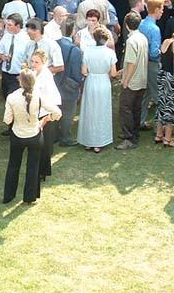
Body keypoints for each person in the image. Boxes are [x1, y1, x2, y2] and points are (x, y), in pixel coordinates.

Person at [3, 69, 61, 205]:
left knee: (13, 165)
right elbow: (57, 112)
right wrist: (45, 120)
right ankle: (30, 198)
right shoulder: (39, 96)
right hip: (35, 134)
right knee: (33, 167)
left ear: (20, 81)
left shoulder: (12, 97)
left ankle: (8, 196)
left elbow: (7, 120)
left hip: (17, 135)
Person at [78, 26, 118, 152]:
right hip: (104, 82)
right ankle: (99, 142)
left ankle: (88, 141)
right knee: (102, 111)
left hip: (91, 81)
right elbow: (113, 73)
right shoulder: (110, 53)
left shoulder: (88, 51)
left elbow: (84, 71)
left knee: (89, 110)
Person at [115, 12, 148, 150]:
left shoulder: (131, 41)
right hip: (142, 79)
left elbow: (131, 63)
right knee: (136, 108)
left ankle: (129, 138)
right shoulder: (142, 37)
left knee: (126, 109)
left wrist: (125, 80)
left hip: (132, 81)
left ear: (127, 25)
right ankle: (134, 133)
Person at [29, 50, 62, 180]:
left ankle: (42, 171)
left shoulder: (45, 75)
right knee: (40, 142)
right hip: (39, 109)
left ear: (43, 62)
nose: (33, 64)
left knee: (44, 142)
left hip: (47, 110)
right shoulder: (34, 73)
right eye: (32, 61)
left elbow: (43, 95)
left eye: (37, 62)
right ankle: (41, 169)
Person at [55, 18, 84, 146]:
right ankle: (65, 138)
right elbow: (77, 72)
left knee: (55, 110)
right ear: (73, 31)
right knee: (68, 112)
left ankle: (54, 135)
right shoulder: (76, 50)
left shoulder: (54, 44)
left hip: (55, 82)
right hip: (69, 85)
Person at [139, 0, 163, 129]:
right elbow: (154, 52)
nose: (162, 13)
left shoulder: (141, 24)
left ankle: (140, 121)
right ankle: (162, 127)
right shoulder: (155, 29)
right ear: (157, 10)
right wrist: (163, 51)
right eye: (162, 10)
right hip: (152, 64)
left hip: (141, 63)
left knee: (145, 94)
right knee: (158, 95)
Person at [0, 14, 31, 103]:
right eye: (6, 24)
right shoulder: (6, 36)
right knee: (6, 96)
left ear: (18, 26)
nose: (6, 27)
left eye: (9, 25)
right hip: (6, 73)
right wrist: (3, 57)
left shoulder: (26, 39)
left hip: (18, 75)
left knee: (15, 100)